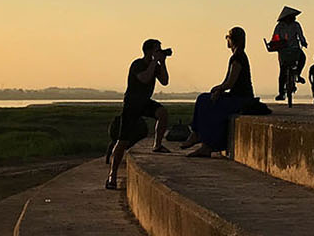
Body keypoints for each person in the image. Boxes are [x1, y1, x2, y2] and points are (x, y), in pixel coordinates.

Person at [182, 27, 264, 157]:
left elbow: (230, 82)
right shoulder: (237, 56)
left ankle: (204, 142)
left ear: (232, 40)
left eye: (228, 37)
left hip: (241, 99)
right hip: (237, 96)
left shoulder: (238, 57)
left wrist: (218, 89)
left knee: (205, 101)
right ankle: (198, 135)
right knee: (204, 99)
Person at [106, 38, 171, 189]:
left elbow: (165, 81)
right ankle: (112, 175)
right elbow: (144, 78)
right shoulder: (138, 64)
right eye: (157, 50)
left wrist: (163, 62)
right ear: (148, 51)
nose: (159, 52)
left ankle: (157, 144)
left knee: (162, 113)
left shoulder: (155, 66)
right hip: (132, 104)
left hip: (145, 102)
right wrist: (155, 62)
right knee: (122, 141)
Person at [271, 7, 308, 101]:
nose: (294, 18)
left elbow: (300, 35)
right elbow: (275, 37)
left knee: (302, 58)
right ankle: (281, 93)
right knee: (282, 71)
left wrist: (304, 42)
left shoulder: (296, 25)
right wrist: (274, 43)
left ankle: (298, 74)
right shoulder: (279, 26)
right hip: (283, 50)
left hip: (295, 48)